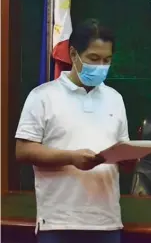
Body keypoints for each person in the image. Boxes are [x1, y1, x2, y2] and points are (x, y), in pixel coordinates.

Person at [15, 18, 127, 243]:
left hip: (106, 221)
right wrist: (71, 157)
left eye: (107, 60)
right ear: (74, 54)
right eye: (94, 59)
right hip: (58, 221)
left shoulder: (115, 99)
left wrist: (128, 158)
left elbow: (122, 149)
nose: (101, 66)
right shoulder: (42, 96)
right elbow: (23, 151)